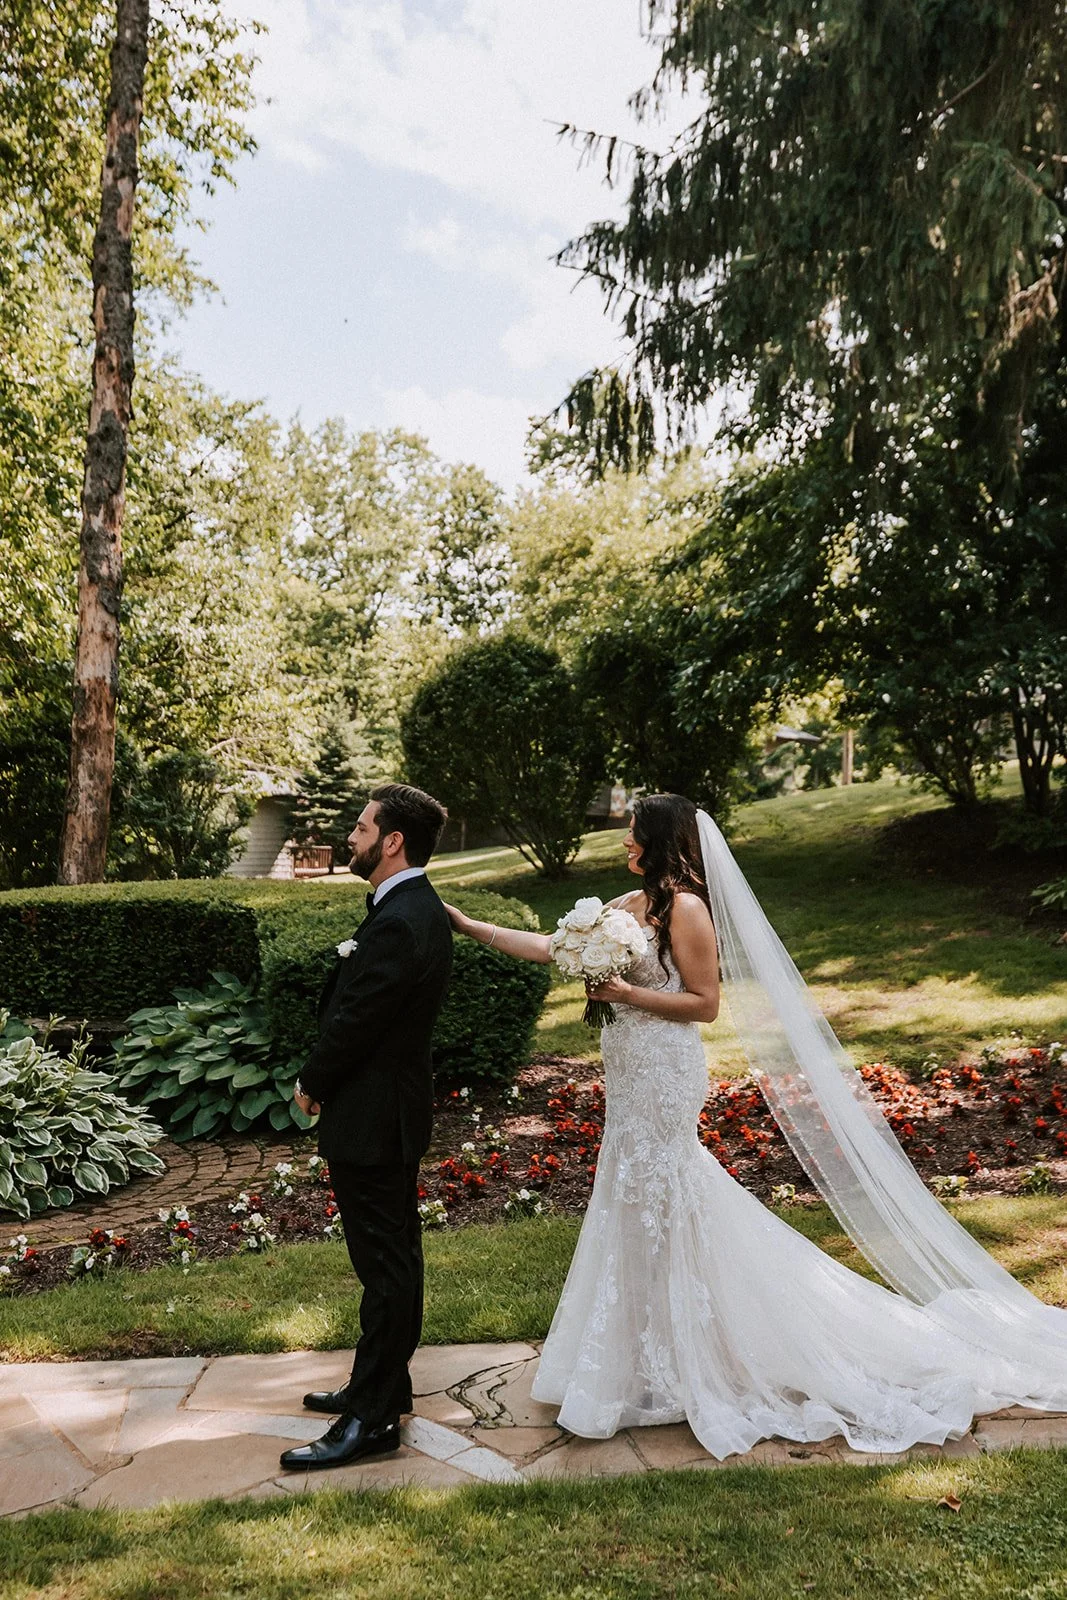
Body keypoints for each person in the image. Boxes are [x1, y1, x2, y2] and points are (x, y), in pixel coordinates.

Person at [445, 792, 1067, 1461]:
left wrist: (625, 994)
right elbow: (548, 946)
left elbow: (703, 1004)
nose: (623, 841)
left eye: (632, 832)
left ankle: (696, 1355)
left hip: (664, 1071)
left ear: (658, 840)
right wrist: (466, 924)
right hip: (628, 1074)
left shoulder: (685, 910)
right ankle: (642, 1359)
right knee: (632, 1201)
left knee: (665, 1195)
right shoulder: (624, 909)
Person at [280, 782, 452, 1472]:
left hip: (375, 1115)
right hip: (383, 1111)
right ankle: (382, 1384)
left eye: (358, 829)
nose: (349, 838)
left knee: (385, 1267)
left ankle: (373, 1422)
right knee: (386, 1261)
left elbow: (360, 1019)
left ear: (392, 841)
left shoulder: (404, 918)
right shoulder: (405, 908)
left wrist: (312, 1081)